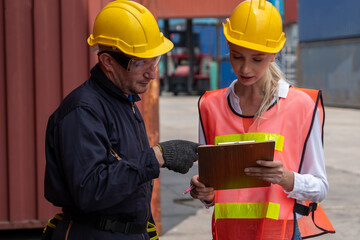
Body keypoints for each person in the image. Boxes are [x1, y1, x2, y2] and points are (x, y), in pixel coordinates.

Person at [43, 1, 199, 240]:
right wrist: (157, 156)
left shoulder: (125, 103)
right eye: (140, 63)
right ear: (107, 62)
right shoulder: (83, 111)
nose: (152, 72)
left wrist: (146, 230)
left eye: (155, 59)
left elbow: (129, 184)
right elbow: (90, 190)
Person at [189, 0, 335, 239]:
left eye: (257, 59)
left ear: (274, 53)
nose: (245, 69)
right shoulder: (210, 106)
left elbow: (320, 187)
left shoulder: (300, 105)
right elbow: (214, 190)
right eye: (237, 56)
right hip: (228, 233)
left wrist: (286, 178)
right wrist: (205, 192)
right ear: (228, 47)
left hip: (280, 233)